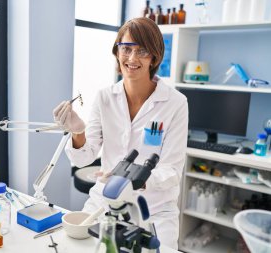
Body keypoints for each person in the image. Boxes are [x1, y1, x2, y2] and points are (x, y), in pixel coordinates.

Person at [53, 17, 188, 249]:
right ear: (117, 52)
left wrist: (136, 180)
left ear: (154, 56)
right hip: (105, 202)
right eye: (126, 49)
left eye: (142, 51)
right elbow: (84, 157)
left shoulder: (175, 103)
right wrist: (78, 132)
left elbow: (172, 170)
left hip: (153, 209)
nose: (132, 58)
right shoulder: (105, 97)